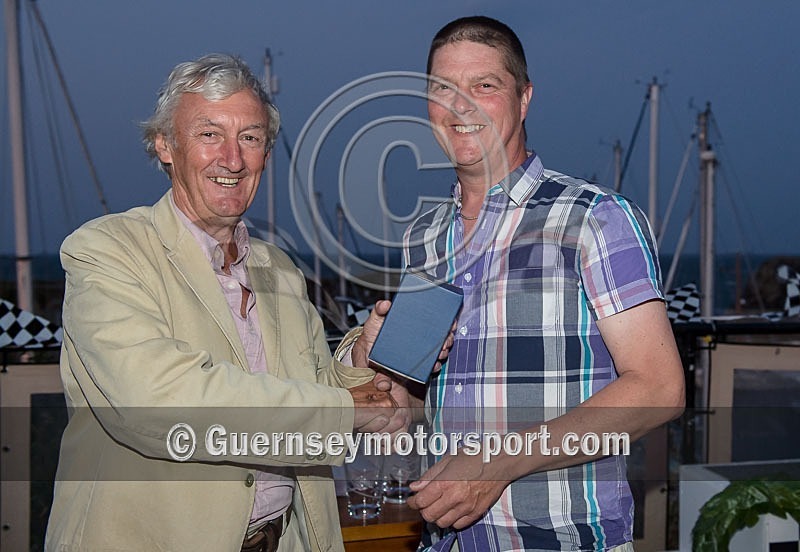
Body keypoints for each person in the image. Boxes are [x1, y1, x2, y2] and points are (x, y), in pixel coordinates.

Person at [45, 53, 404, 552]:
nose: (232, 159)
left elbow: (302, 393)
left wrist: (357, 365)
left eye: (250, 137)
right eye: (209, 134)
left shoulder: (279, 269)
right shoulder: (106, 250)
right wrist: (343, 409)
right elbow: (158, 401)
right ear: (165, 145)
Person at [401, 17, 686, 551]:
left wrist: (495, 464)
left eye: (484, 86)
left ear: (524, 98)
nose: (460, 106)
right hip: (444, 540)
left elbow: (659, 389)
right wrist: (384, 369)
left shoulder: (595, 219)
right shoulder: (423, 237)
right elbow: (420, 399)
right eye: (443, 89)